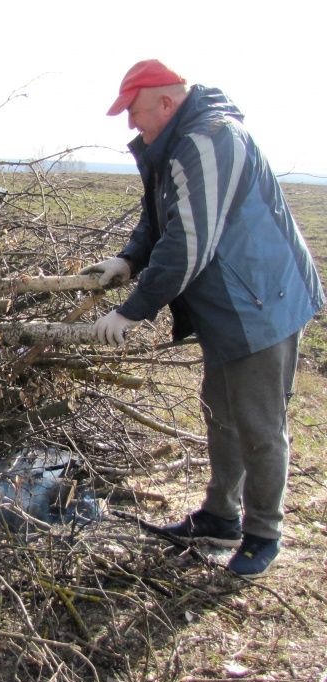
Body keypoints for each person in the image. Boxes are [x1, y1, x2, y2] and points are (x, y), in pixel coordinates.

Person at [81, 59, 324, 578]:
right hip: (228, 306)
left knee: (259, 424)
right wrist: (128, 259)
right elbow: (159, 216)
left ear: (166, 103)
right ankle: (220, 517)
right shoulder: (174, 143)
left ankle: (263, 534)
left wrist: (132, 311)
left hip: (261, 299)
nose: (131, 124)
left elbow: (190, 241)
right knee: (220, 412)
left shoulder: (210, 140)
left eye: (135, 111)